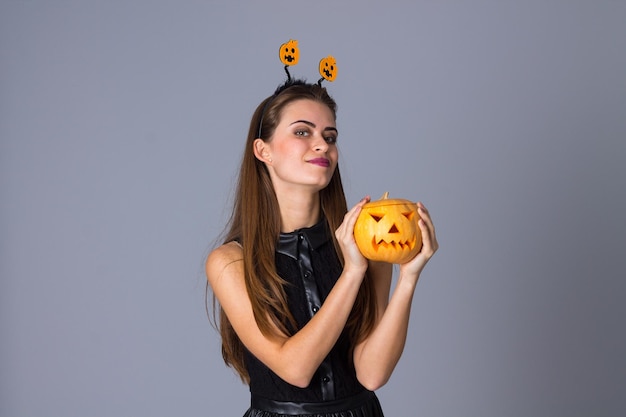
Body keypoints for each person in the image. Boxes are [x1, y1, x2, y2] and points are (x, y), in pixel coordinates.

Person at [206, 77, 438, 417]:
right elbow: (295, 369)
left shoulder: (369, 241)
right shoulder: (230, 262)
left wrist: (409, 276)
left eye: (329, 136)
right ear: (263, 150)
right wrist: (352, 271)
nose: (322, 145)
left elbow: (372, 373)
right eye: (303, 132)